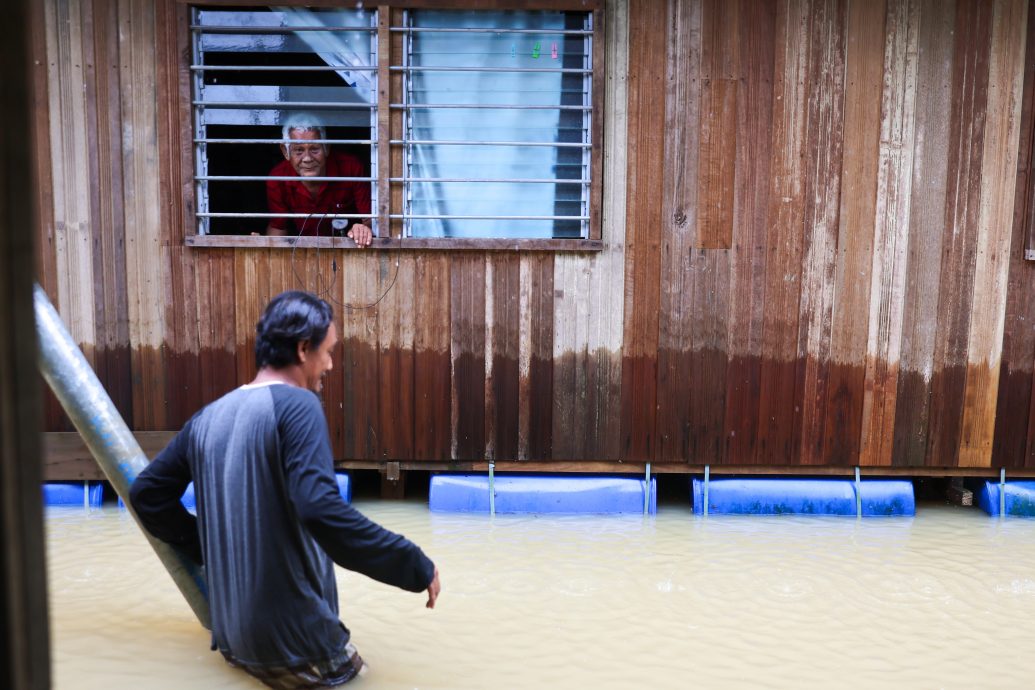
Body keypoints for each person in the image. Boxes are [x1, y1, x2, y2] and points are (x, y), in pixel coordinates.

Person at [130, 290, 439, 688]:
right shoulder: (299, 406)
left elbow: (147, 495)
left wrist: (206, 547)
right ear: (303, 348)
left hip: (234, 643)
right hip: (303, 647)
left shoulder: (206, 419)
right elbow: (320, 510)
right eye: (328, 352)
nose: (330, 365)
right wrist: (412, 563)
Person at [266, 117, 374, 247]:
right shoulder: (278, 178)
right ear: (285, 151)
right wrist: (261, 245)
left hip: (346, 248)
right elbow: (278, 226)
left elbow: (371, 221)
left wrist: (361, 229)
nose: (307, 158)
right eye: (299, 150)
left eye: (314, 149)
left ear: (326, 147)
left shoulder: (351, 168)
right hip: (301, 251)